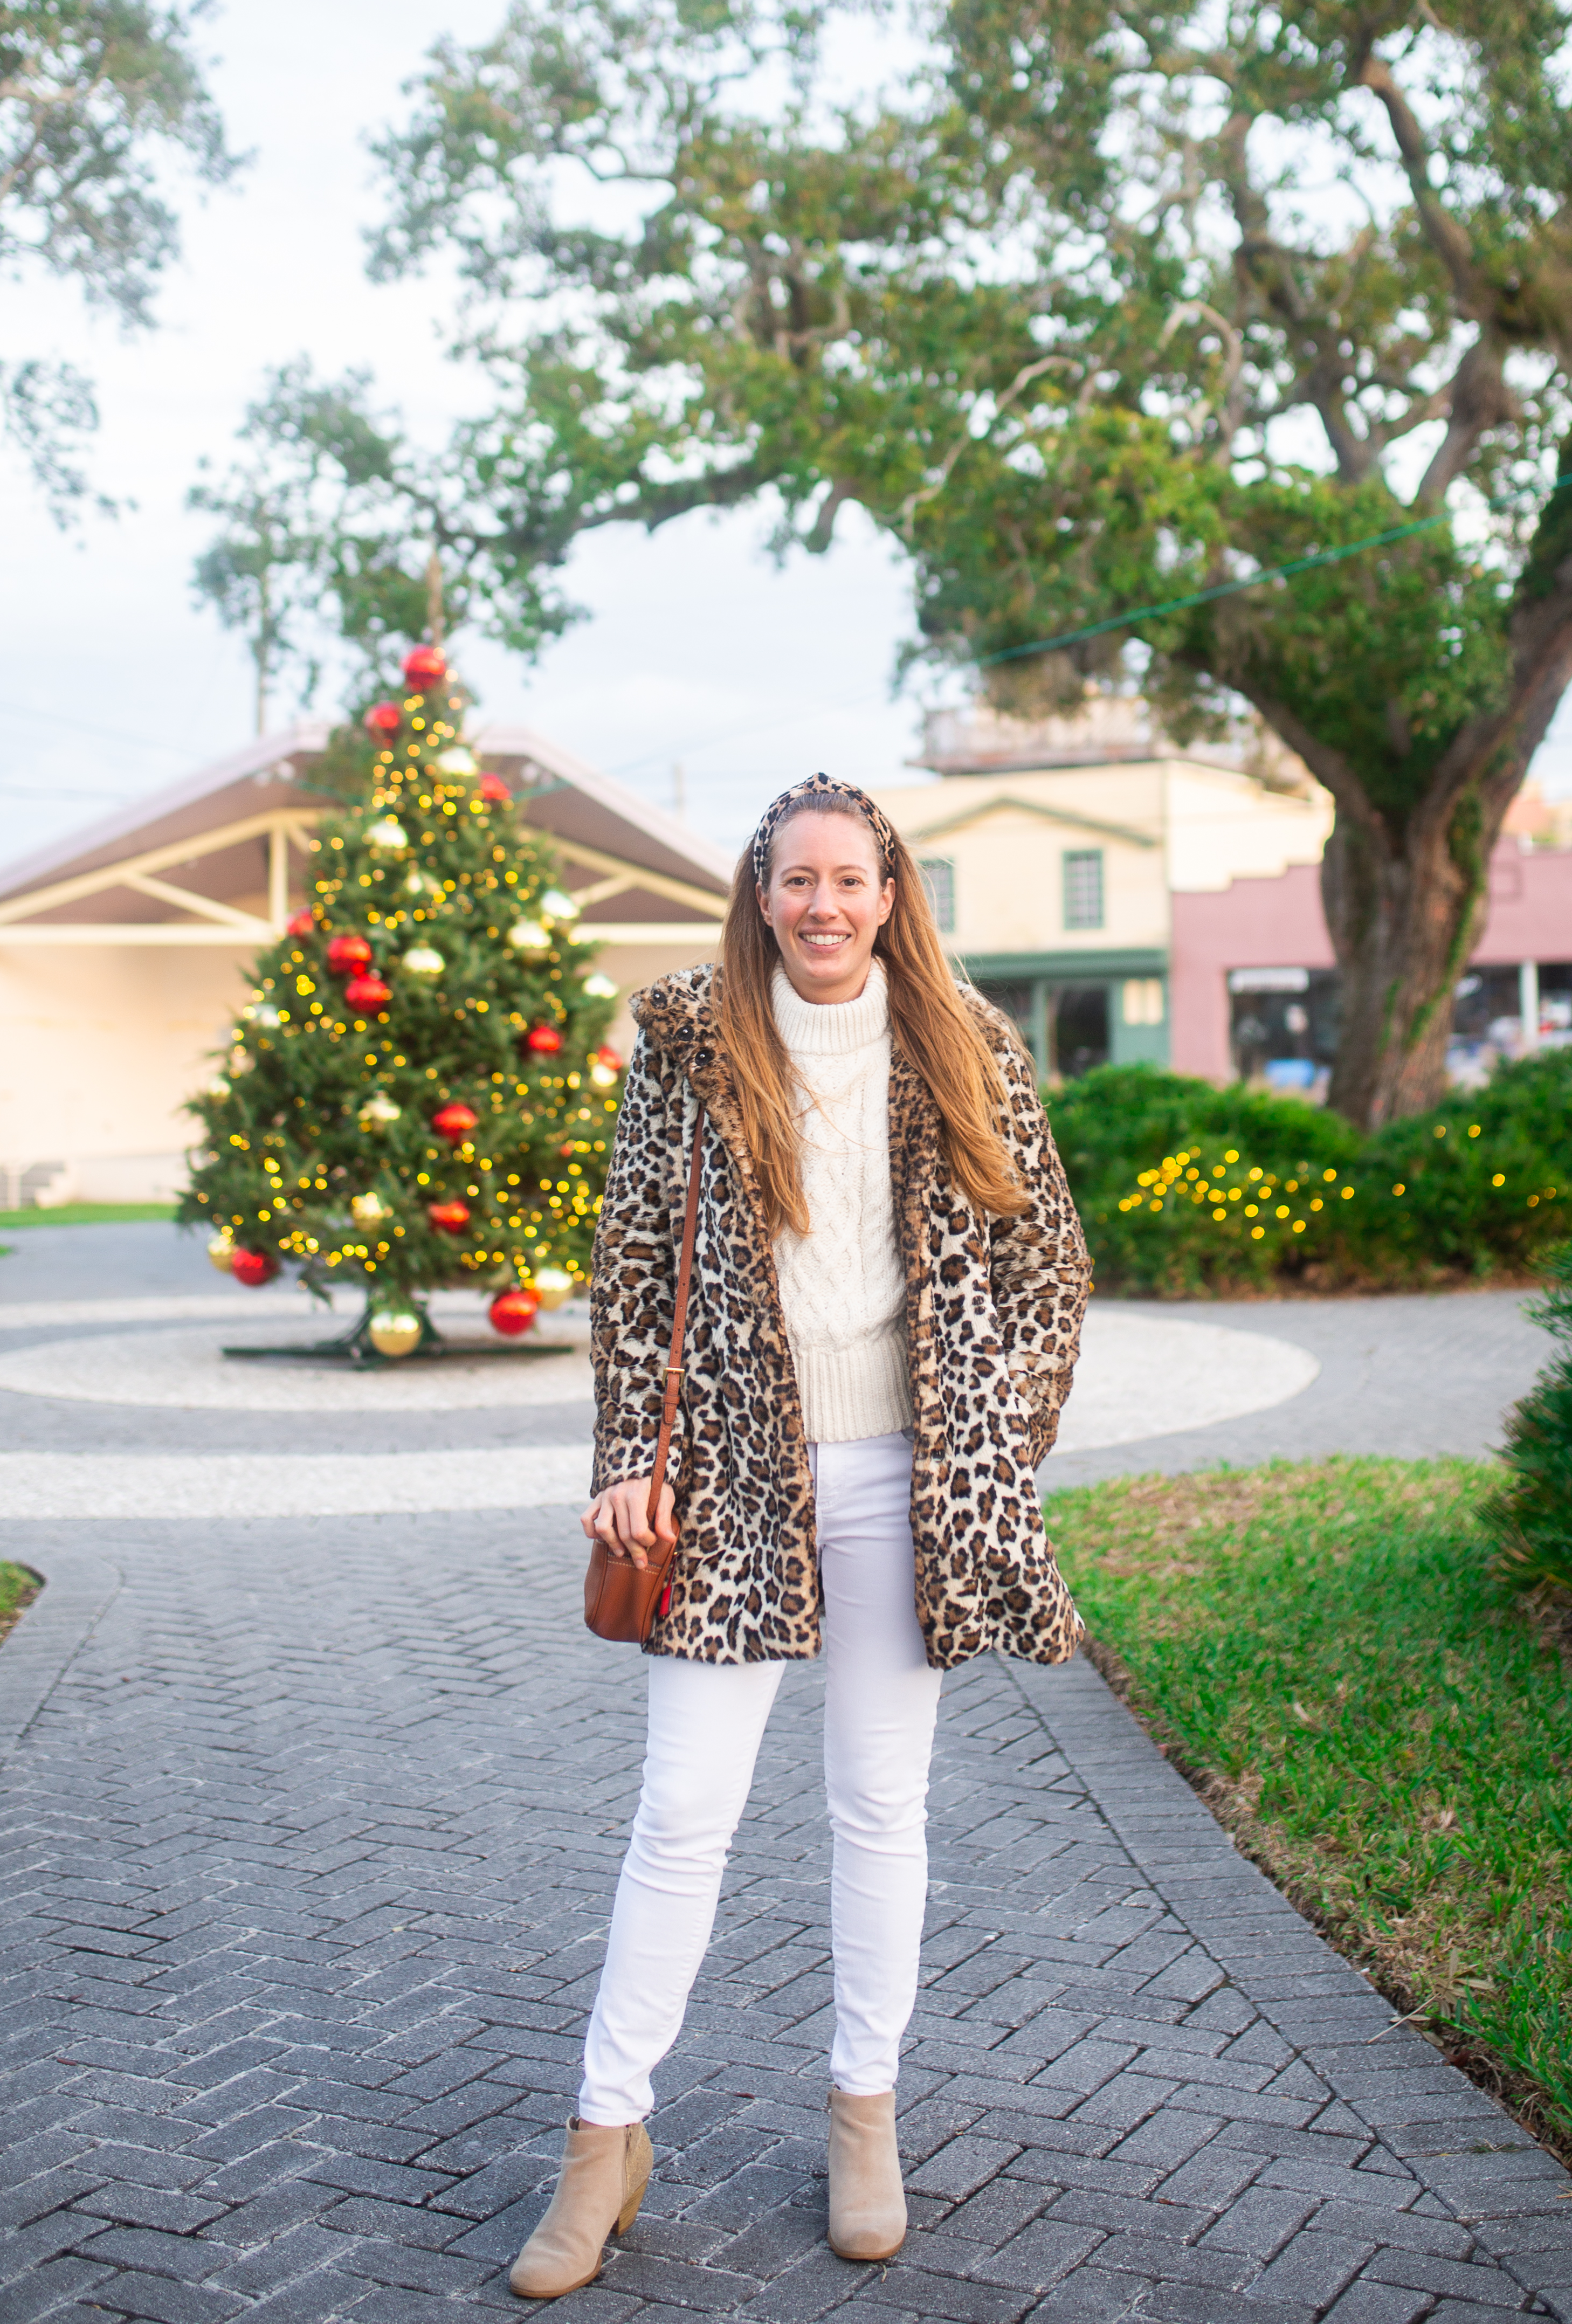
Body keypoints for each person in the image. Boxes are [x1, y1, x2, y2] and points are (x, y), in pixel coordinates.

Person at [510, 771, 1091, 2299]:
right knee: (680, 1815)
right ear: (759, 894)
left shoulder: (969, 1044)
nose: (824, 904)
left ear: (894, 895)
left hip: (909, 1479)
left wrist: (991, 1446)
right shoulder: (693, 1044)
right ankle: (602, 2136)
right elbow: (633, 1263)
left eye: (852, 878)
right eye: (796, 880)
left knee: (877, 1811)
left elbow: (1051, 1272)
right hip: (732, 1482)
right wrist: (629, 1458)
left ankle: (862, 2116)